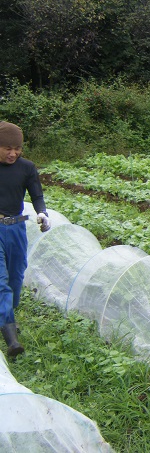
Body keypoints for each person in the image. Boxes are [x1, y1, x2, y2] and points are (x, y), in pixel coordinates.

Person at [0, 121, 51, 357]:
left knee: (16, 276)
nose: (13, 153)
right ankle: (11, 339)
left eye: (17, 148)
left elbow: (37, 195)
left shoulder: (27, 168)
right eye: (7, 148)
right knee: (1, 281)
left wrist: (42, 213)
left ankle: (8, 314)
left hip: (16, 228)